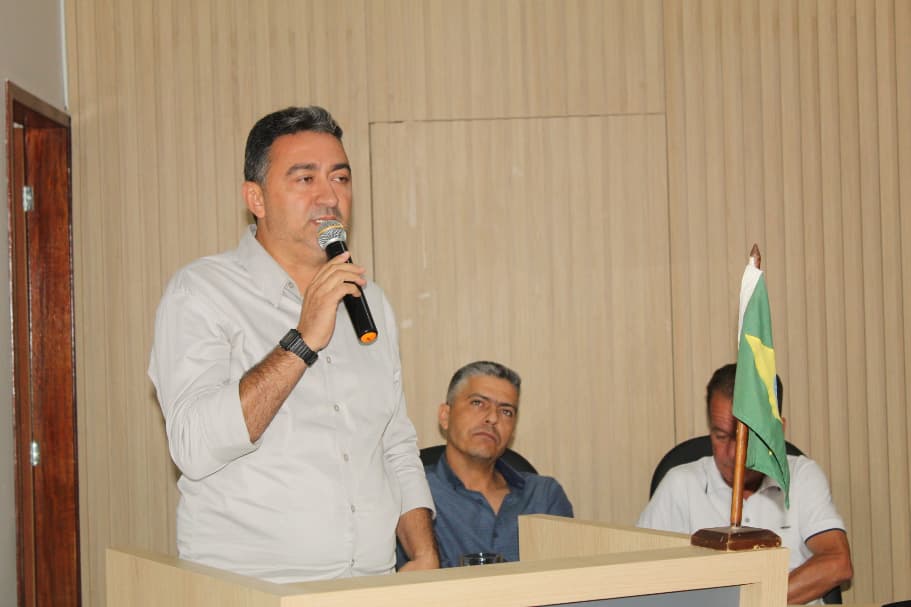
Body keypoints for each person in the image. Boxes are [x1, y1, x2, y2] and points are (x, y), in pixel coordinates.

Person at [148, 106, 437, 583]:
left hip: (371, 582)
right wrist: (301, 342)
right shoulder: (201, 292)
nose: (329, 196)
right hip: (256, 586)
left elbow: (395, 442)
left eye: (340, 178)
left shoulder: (370, 302)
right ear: (256, 198)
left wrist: (424, 553)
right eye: (305, 179)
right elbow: (194, 446)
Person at [637, 363, 853, 604]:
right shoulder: (681, 484)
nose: (734, 454)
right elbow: (637, 574)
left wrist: (751, 602)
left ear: (777, 431)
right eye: (721, 436)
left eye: (747, 438)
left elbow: (838, 563)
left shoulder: (802, 476)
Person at [400, 361, 573, 568]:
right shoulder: (412, 494)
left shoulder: (543, 496)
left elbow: (569, 579)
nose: (492, 418)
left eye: (506, 411)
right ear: (445, 416)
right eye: (478, 403)